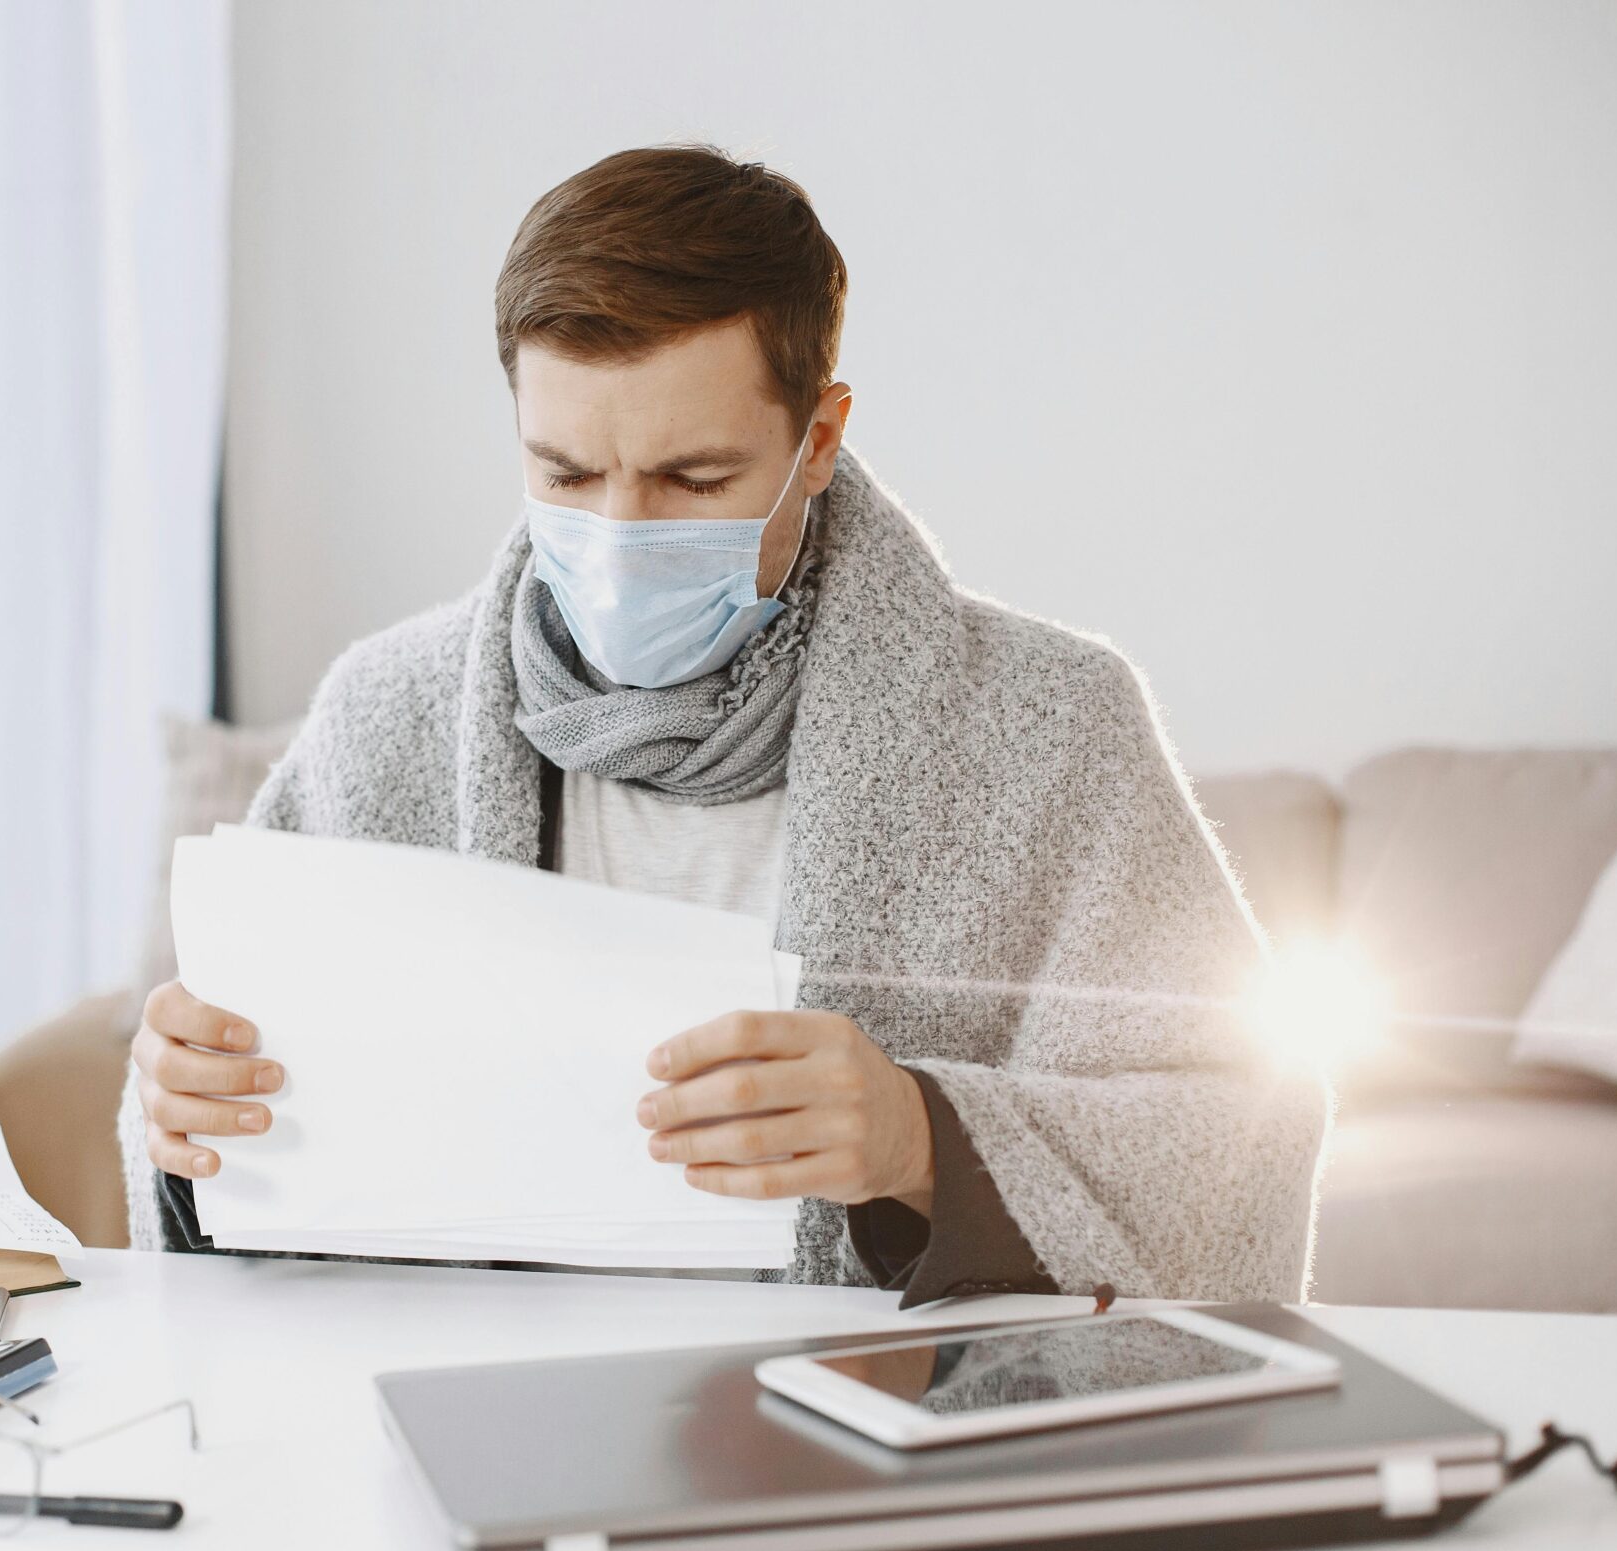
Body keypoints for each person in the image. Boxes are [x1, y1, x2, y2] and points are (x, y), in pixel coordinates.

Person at [119, 144, 1325, 1306]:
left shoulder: (1050, 730)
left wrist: (920, 1136)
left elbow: (1240, 1135)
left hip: (866, 1448)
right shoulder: (382, 719)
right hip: (465, 1412)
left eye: (694, 481)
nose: (623, 533)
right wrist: (183, 1126)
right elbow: (236, 1186)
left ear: (820, 440)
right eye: (566, 476)